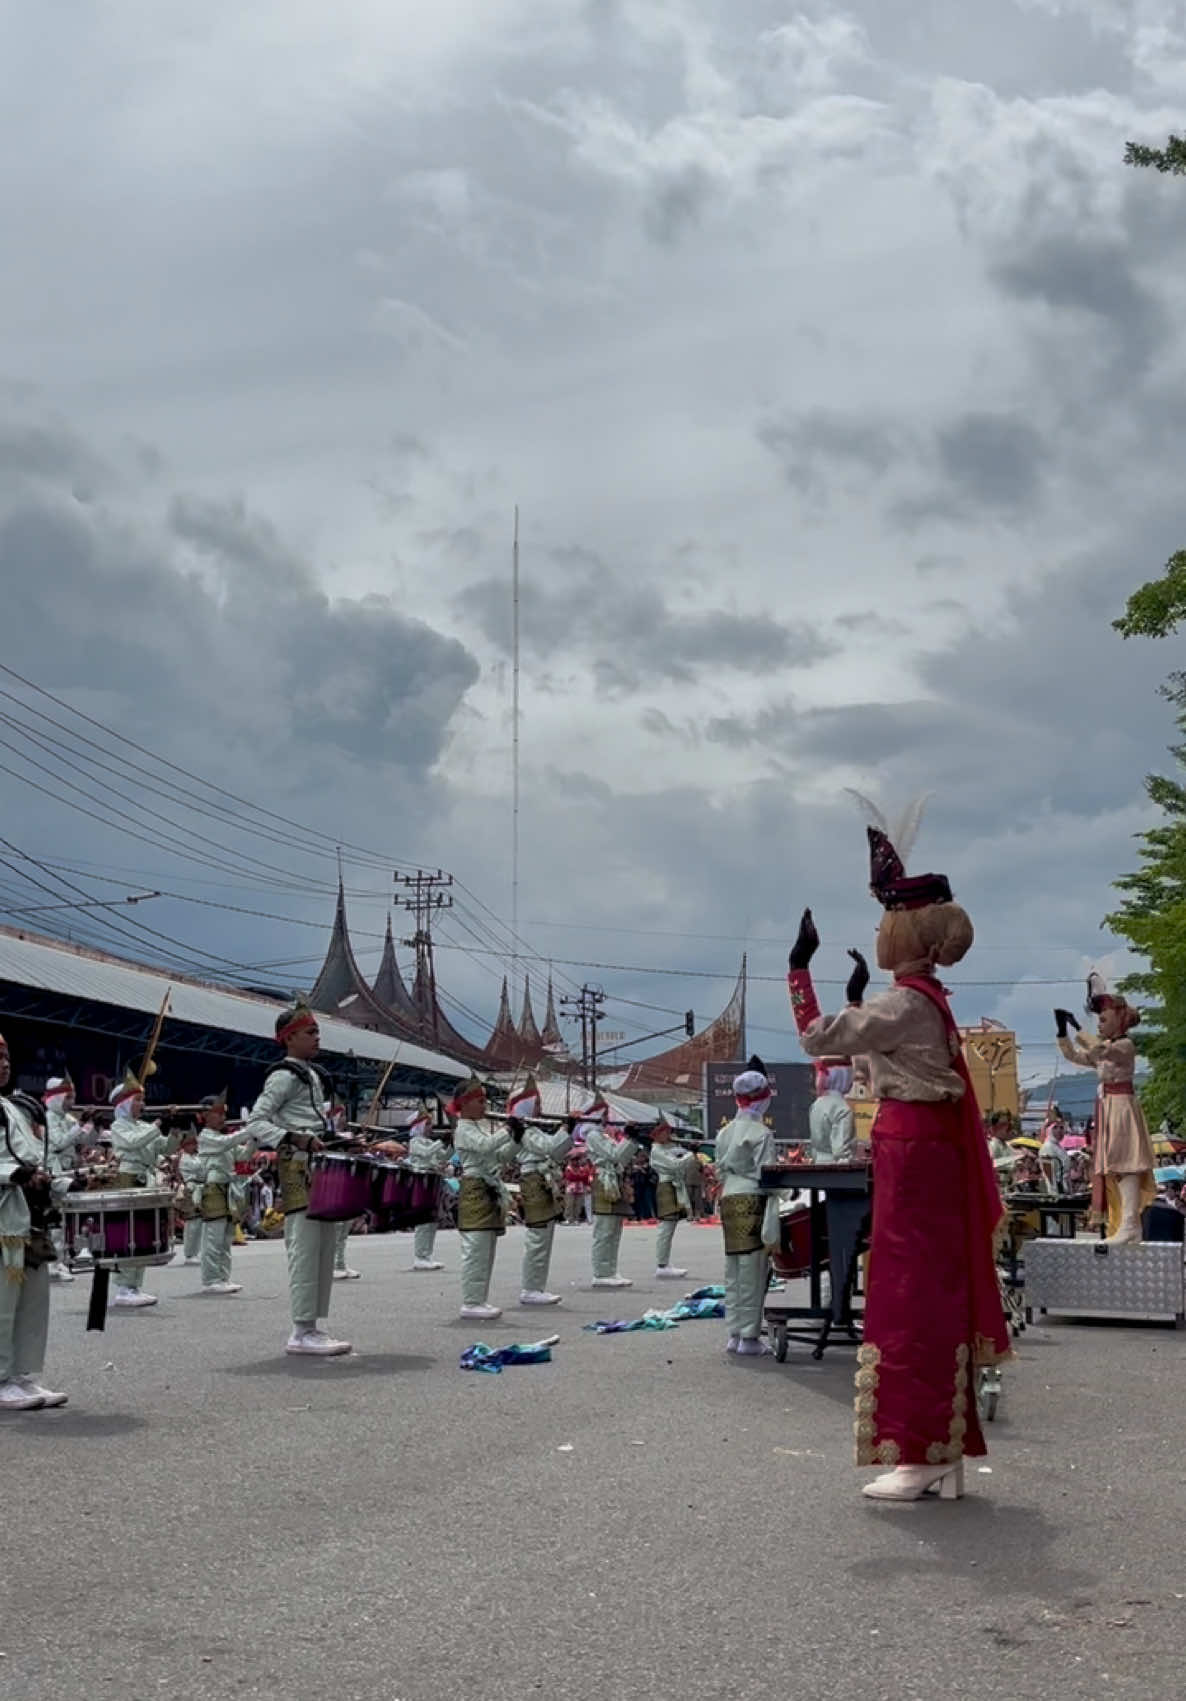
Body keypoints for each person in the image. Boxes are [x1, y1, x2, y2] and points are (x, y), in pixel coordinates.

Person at [787, 825, 1011, 1502]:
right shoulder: (926, 1001)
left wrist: (800, 970)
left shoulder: (903, 1002)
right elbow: (869, 1050)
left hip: (910, 1147)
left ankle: (917, 1452)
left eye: (887, 918)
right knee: (931, 1289)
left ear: (905, 932)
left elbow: (817, 1039)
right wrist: (861, 999)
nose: (881, 930)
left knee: (908, 1294)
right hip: (925, 1145)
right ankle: (940, 1451)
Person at [243, 1001, 402, 1355]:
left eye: (317, 1031)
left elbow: (319, 1129)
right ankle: (300, 1329)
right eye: (310, 1032)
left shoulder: (312, 1074)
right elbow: (256, 1122)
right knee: (305, 1246)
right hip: (299, 1166)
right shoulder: (283, 1075)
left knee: (324, 1248)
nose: (318, 1037)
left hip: (320, 1166)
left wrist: (348, 1143)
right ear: (289, 1038)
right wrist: (294, 1137)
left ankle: (313, 1326)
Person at [1055, 975, 1156, 1243]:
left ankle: (1130, 1223)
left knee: (1126, 1162)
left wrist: (1078, 1031)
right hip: (1108, 1107)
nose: (1099, 1021)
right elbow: (1078, 1057)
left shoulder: (1124, 1045)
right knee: (1116, 1165)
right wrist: (1063, 1032)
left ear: (1119, 1020)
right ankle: (1127, 1223)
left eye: (1104, 1017)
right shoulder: (1108, 1047)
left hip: (1121, 1105)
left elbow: (1098, 1051)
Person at [0, 1037, 68, 1409]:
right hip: (3, 1220)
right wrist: (14, 1174)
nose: (5, 1064)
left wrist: (62, 1182)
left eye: (7, 1056)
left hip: (28, 1217)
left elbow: (32, 1161)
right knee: (3, 1301)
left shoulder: (12, 1108)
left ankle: (24, 1375)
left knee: (33, 1299)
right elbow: (15, 1166)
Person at [715, 1059, 779, 1355]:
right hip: (753, 1197)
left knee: (734, 1268)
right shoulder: (761, 1133)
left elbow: (718, 1170)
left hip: (729, 1196)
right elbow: (769, 1174)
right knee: (753, 1269)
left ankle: (734, 1332)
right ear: (763, 1098)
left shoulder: (724, 1133)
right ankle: (750, 1338)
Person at [108, 1072, 181, 1309]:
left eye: (142, 1100)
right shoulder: (118, 1125)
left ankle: (134, 1285)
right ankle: (123, 1286)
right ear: (125, 1104)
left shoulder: (142, 1125)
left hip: (145, 1178)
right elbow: (133, 1143)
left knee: (141, 1234)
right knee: (127, 1233)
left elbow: (164, 1148)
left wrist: (174, 1131)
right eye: (137, 1100)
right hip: (129, 1178)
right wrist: (157, 1124)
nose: (143, 1105)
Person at [452, 1077, 518, 1321]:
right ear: (466, 1104)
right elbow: (486, 1146)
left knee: (487, 1247)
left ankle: (480, 1298)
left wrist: (516, 1140)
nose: (484, 1106)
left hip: (488, 1188)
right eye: (480, 1101)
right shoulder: (464, 1129)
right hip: (475, 1189)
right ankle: (471, 1301)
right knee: (476, 1248)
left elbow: (499, 1156)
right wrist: (506, 1130)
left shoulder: (478, 1126)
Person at [512, 1076, 572, 1307]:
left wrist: (564, 1131)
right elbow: (549, 1148)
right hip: (534, 1180)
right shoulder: (526, 1132)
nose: (540, 1109)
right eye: (536, 1104)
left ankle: (536, 1286)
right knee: (538, 1237)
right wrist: (566, 1128)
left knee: (545, 1234)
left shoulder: (533, 1130)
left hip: (541, 1179)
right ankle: (530, 1288)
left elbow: (555, 1151)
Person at [195, 1092, 249, 1296]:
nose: (222, 1117)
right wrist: (250, 1129)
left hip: (226, 1188)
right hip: (213, 1188)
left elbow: (243, 1154)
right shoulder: (206, 1136)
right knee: (213, 1237)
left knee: (226, 1237)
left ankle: (223, 1278)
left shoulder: (221, 1137)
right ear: (205, 1116)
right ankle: (210, 1280)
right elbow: (227, 1143)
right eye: (217, 1113)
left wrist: (253, 1138)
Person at [585, 1100, 639, 1289]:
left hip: (614, 1178)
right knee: (605, 1230)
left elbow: (621, 1157)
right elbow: (613, 1154)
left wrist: (630, 1140)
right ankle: (600, 1271)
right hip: (604, 1179)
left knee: (615, 1229)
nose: (607, 1117)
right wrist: (627, 1138)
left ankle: (611, 1270)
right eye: (604, 1113)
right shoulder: (592, 1135)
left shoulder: (604, 1135)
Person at [43, 1076, 81, 1282]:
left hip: (67, 1170)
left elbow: (84, 1140)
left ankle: (61, 1261)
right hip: (53, 1170)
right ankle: (52, 1264)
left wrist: (93, 1125)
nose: (72, 1101)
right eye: (68, 1097)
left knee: (65, 1220)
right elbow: (58, 1143)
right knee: (55, 1220)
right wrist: (80, 1126)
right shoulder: (48, 1118)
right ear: (57, 1098)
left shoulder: (68, 1119)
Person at [649, 1116, 697, 1280]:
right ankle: (662, 1264)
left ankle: (665, 1262)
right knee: (666, 1227)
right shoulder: (656, 1150)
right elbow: (675, 1165)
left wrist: (687, 1151)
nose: (668, 1134)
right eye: (665, 1132)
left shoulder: (667, 1147)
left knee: (670, 1226)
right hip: (667, 1186)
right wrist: (691, 1154)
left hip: (673, 1185)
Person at [407, 1104, 451, 1271]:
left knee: (431, 1221)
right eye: (428, 1124)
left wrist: (450, 1145)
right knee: (422, 1221)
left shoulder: (429, 1142)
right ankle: (419, 1256)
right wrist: (441, 1141)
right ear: (419, 1127)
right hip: (421, 1181)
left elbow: (443, 1156)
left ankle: (427, 1255)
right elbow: (426, 1154)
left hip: (432, 1181)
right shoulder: (414, 1142)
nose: (431, 1127)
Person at [809, 1062, 856, 1162]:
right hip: (836, 1169)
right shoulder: (842, 1109)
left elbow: (814, 1146)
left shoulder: (817, 1104)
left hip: (819, 1164)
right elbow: (841, 1151)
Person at [173, 1129, 204, 1265]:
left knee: (200, 1224)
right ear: (186, 1145)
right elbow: (199, 1170)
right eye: (192, 1144)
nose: (195, 1146)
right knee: (192, 1223)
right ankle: (190, 1253)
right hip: (190, 1188)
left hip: (200, 1188)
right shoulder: (184, 1158)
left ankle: (196, 1252)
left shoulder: (196, 1156)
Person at [1038, 1112, 1070, 1196]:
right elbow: (1049, 1176)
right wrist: (1054, 1195)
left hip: (1063, 1190)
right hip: (1055, 1192)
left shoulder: (1060, 1148)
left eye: (1061, 1127)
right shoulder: (1047, 1148)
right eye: (1055, 1127)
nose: (1059, 1130)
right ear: (1049, 1130)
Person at [563, 1144, 593, 1224]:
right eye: (573, 1160)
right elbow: (570, 1177)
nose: (575, 1162)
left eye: (577, 1160)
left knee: (578, 1205)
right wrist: (579, 1176)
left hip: (580, 1189)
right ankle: (568, 1218)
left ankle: (576, 1218)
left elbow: (585, 1177)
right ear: (571, 1161)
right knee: (569, 1204)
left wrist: (578, 1176)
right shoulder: (568, 1168)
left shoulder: (581, 1168)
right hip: (570, 1189)